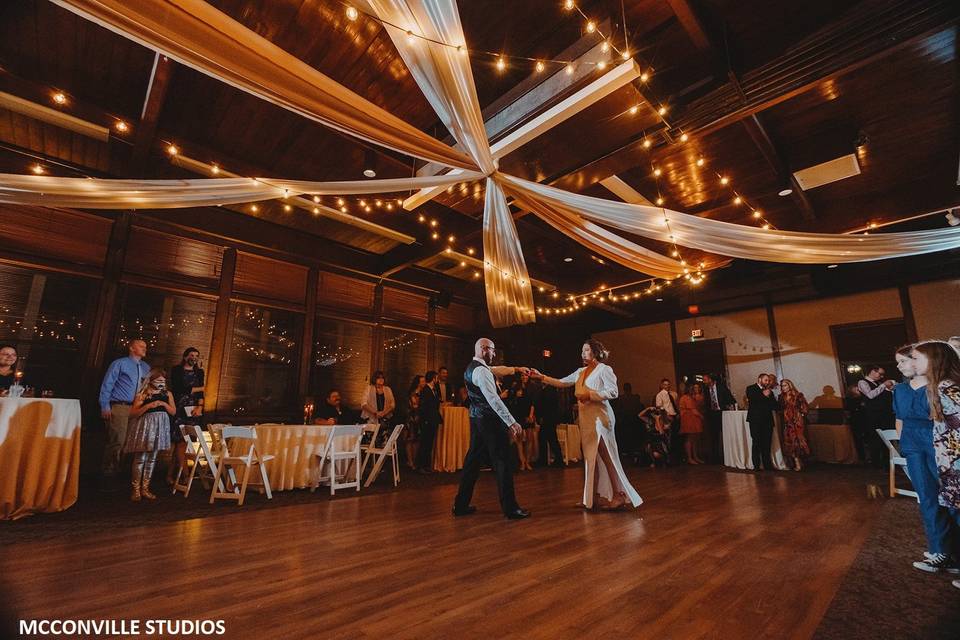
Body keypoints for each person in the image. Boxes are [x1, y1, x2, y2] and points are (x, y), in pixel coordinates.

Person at [535, 339, 642, 511]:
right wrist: (541, 377)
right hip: (586, 419)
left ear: (595, 352)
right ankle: (592, 496)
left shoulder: (604, 369)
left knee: (606, 456)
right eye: (582, 350)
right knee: (591, 457)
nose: (582, 353)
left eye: (586, 350)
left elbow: (613, 391)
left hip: (600, 418)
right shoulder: (580, 372)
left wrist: (590, 395)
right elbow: (562, 382)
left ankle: (618, 494)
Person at [892, 345, 956, 573]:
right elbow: (899, 418)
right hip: (912, 444)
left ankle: (954, 551)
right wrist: (905, 445)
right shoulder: (899, 389)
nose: (900, 366)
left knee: (950, 498)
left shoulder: (939, 386)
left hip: (937, 442)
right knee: (927, 497)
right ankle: (940, 549)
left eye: (904, 361)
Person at [453, 338, 531, 520]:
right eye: (493, 351)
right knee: (503, 461)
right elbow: (494, 400)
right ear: (483, 349)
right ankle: (511, 508)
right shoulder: (482, 371)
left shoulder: (473, 367)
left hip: (476, 419)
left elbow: (497, 370)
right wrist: (512, 422)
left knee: (472, 461)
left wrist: (517, 369)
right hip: (489, 421)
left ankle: (460, 505)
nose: (494, 354)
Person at [911, 341, 960, 587]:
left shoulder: (946, 388)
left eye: (916, 358)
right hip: (950, 462)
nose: (912, 363)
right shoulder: (937, 387)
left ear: (935, 361)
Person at [98, 339, 150, 482]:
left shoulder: (146, 367)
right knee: (117, 440)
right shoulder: (120, 364)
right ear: (132, 348)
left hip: (137, 408)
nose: (145, 348)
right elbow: (107, 384)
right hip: (120, 406)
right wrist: (105, 405)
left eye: (145, 346)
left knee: (131, 442)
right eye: (141, 346)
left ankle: (121, 473)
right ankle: (108, 474)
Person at [124, 368, 175, 501]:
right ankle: (135, 489)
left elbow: (173, 411)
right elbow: (133, 414)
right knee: (140, 457)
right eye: (158, 381)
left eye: (163, 381)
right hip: (146, 426)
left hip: (160, 426)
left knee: (152, 458)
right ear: (151, 381)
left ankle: (145, 488)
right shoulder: (143, 394)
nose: (161, 383)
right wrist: (148, 406)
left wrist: (163, 403)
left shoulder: (167, 394)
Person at [166, 347, 205, 486]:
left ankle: (171, 476)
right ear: (185, 356)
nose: (194, 357)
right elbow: (178, 388)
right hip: (179, 408)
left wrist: (200, 407)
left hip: (193, 410)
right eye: (192, 355)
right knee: (179, 442)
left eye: (196, 355)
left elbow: (201, 394)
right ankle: (185, 476)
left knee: (183, 444)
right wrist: (200, 388)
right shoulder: (176, 370)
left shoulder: (199, 372)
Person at [858, 365, 895, 467]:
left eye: (883, 374)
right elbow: (870, 395)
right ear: (872, 372)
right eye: (880, 373)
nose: (882, 376)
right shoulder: (862, 382)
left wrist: (890, 389)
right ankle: (877, 464)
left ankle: (888, 464)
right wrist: (883, 385)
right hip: (873, 416)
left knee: (887, 439)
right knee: (875, 439)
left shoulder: (878, 383)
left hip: (885, 415)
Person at [746, 373, 778, 471]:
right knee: (756, 443)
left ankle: (767, 465)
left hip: (767, 421)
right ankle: (756, 466)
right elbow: (753, 401)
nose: (767, 382)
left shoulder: (769, 392)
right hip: (755, 421)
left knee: (767, 444)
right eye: (765, 380)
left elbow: (774, 406)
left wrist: (771, 397)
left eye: (768, 380)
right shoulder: (750, 388)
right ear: (759, 379)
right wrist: (764, 396)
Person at [702, 373, 735, 463]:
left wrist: (728, 407)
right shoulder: (705, 389)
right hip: (711, 415)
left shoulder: (722, 387)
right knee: (713, 436)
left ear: (710, 379)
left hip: (722, 413)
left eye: (705, 379)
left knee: (725, 435)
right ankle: (715, 458)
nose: (703, 382)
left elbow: (731, 399)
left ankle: (727, 456)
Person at [779, 379, 810, 471]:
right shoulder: (781, 397)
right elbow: (780, 409)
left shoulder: (798, 395)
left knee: (799, 440)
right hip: (787, 421)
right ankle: (796, 462)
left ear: (790, 385)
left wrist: (800, 415)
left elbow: (805, 407)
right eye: (782, 386)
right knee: (790, 440)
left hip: (797, 421)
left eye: (785, 385)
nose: (783, 387)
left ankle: (800, 462)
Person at [507, 372, 536, 471]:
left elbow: (533, 403)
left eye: (526, 375)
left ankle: (528, 461)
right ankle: (522, 461)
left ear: (528, 376)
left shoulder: (532, 387)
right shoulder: (516, 386)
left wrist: (531, 415)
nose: (524, 377)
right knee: (519, 439)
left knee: (529, 439)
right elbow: (511, 401)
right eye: (522, 375)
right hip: (518, 414)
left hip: (528, 414)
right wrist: (516, 395)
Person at [416, 370, 442, 474]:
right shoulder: (425, 390)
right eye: (436, 378)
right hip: (427, 421)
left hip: (433, 420)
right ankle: (421, 465)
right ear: (433, 378)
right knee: (424, 443)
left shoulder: (433, 390)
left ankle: (426, 465)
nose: (437, 380)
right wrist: (425, 420)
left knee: (429, 444)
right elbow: (423, 407)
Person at [535, 382, 564, 467]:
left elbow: (547, 405)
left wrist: (542, 416)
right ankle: (552, 459)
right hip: (548, 419)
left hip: (549, 419)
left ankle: (554, 460)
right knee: (547, 439)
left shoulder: (550, 390)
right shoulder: (546, 390)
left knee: (550, 439)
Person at [679, 382, 706, 465]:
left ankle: (695, 456)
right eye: (692, 389)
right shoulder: (686, 398)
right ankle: (689, 458)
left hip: (693, 420)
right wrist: (702, 417)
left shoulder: (691, 397)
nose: (694, 390)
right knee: (689, 439)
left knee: (694, 439)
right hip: (689, 420)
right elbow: (693, 410)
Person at [403, 375, 425, 470]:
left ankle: (414, 461)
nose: (424, 383)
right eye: (422, 381)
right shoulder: (414, 393)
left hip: (419, 418)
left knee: (417, 440)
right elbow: (414, 406)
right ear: (418, 383)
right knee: (410, 439)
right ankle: (410, 461)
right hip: (412, 418)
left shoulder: (423, 392)